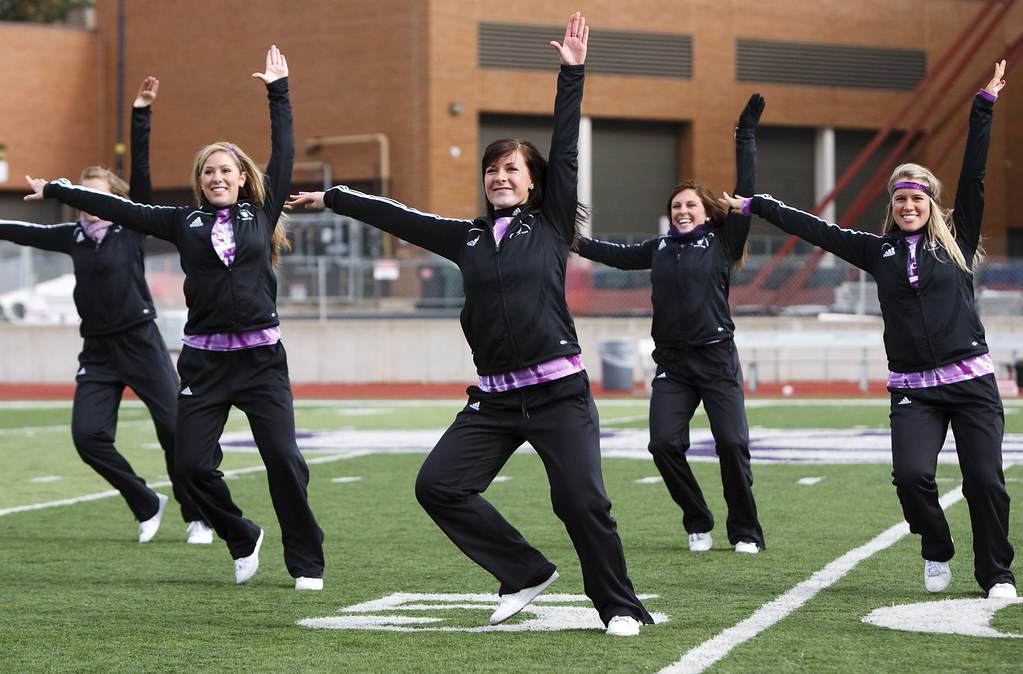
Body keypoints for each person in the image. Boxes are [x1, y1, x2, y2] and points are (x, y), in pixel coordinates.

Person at [289, 13, 653, 635]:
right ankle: (522, 571)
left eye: (512, 170)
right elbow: (400, 217)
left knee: (580, 502)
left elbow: (564, 146)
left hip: (558, 392)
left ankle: (617, 605)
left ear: (533, 183)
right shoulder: (469, 238)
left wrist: (572, 75)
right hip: (495, 400)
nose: (500, 177)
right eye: (493, 169)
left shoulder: (553, 224)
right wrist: (336, 198)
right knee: (438, 485)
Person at [26, 45, 325, 591]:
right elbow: (120, 207)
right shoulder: (179, 220)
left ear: (241, 178)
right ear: (200, 180)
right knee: (189, 466)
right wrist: (58, 189)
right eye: (208, 171)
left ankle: (306, 561)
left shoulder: (262, 211)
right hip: (205, 364)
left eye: (225, 170)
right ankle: (240, 534)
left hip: (261, 362)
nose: (217, 177)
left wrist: (278, 92)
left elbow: (282, 152)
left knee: (284, 460)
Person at [721, 61, 1015, 599]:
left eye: (918, 198)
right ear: (893, 204)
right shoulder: (874, 250)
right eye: (900, 198)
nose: (908, 206)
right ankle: (936, 548)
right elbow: (813, 227)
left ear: (931, 205)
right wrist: (758, 205)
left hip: (971, 384)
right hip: (912, 391)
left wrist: (983, 107)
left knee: (985, 483)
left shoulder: (956, 241)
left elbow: (974, 175)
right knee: (911, 478)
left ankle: (996, 573)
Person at [0, 77, 212, 545]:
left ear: (114, 200)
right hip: (97, 350)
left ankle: (197, 514)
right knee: (88, 437)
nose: (87, 203)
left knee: (174, 430)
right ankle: (145, 501)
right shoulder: (71, 237)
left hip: (140, 340)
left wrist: (141, 114)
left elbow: (143, 174)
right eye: (81, 194)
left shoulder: (128, 228)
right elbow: (16, 231)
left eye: (95, 195)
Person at [574, 94, 767, 555]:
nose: (682, 211)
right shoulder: (659, 248)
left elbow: (748, 191)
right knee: (662, 445)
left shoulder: (723, 242)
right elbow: (615, 256)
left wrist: (745, 135)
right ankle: (697, 520)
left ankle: (745, 531)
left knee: (733, 446)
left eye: (691, 206)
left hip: (717, 359)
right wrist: (570, 239)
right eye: (676, 205)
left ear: (706, 212)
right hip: (674, 365)